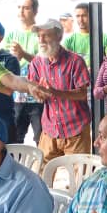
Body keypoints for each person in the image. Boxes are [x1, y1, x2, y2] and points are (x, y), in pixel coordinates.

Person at [29, 18, 92, 161]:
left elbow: (82, 94)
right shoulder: (36, 63)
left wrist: (55, 92)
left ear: (59, 36)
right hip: (50, 128)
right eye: (39, 36)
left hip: (76, 128)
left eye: (46, 35)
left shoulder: (75, 61)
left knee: (79, 175)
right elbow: (33, 89)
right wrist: (38, 94)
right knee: (42, 171)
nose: (41, 40)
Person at [3, 0, 44, 144]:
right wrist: (14, 59)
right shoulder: (11, 35)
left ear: (35, 11)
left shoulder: (41, 34)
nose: (21, 11)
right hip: (16, 97)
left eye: (26, 8)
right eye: (19, 7)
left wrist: (23, 54)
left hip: (38, 96)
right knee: (15, 139)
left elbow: (44, 62)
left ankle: (42, 168)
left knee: (41, 139)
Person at [63, 2, 107, 67]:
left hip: (98, 76)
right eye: (78, 16)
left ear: (91, 16)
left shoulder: (104, 38)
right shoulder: (69, 40)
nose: (80, 20)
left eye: (84, 16)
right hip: (77, 76)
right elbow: (64, 63)